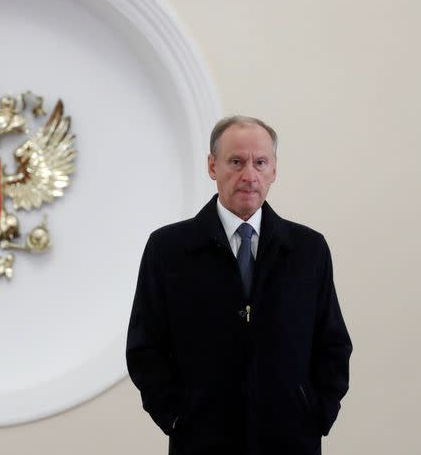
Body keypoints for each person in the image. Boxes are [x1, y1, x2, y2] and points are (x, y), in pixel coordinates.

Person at [126, 116, 351, 455]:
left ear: (274, 170)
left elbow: (332, 343)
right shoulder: (168, 249)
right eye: (236, 162)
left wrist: (317, 412)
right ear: (212, 166)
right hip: (201, 440)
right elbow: (145, 347)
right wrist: (175, 416)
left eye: (260, 162)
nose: (249, 175)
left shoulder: (309, 249)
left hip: (291, 440)